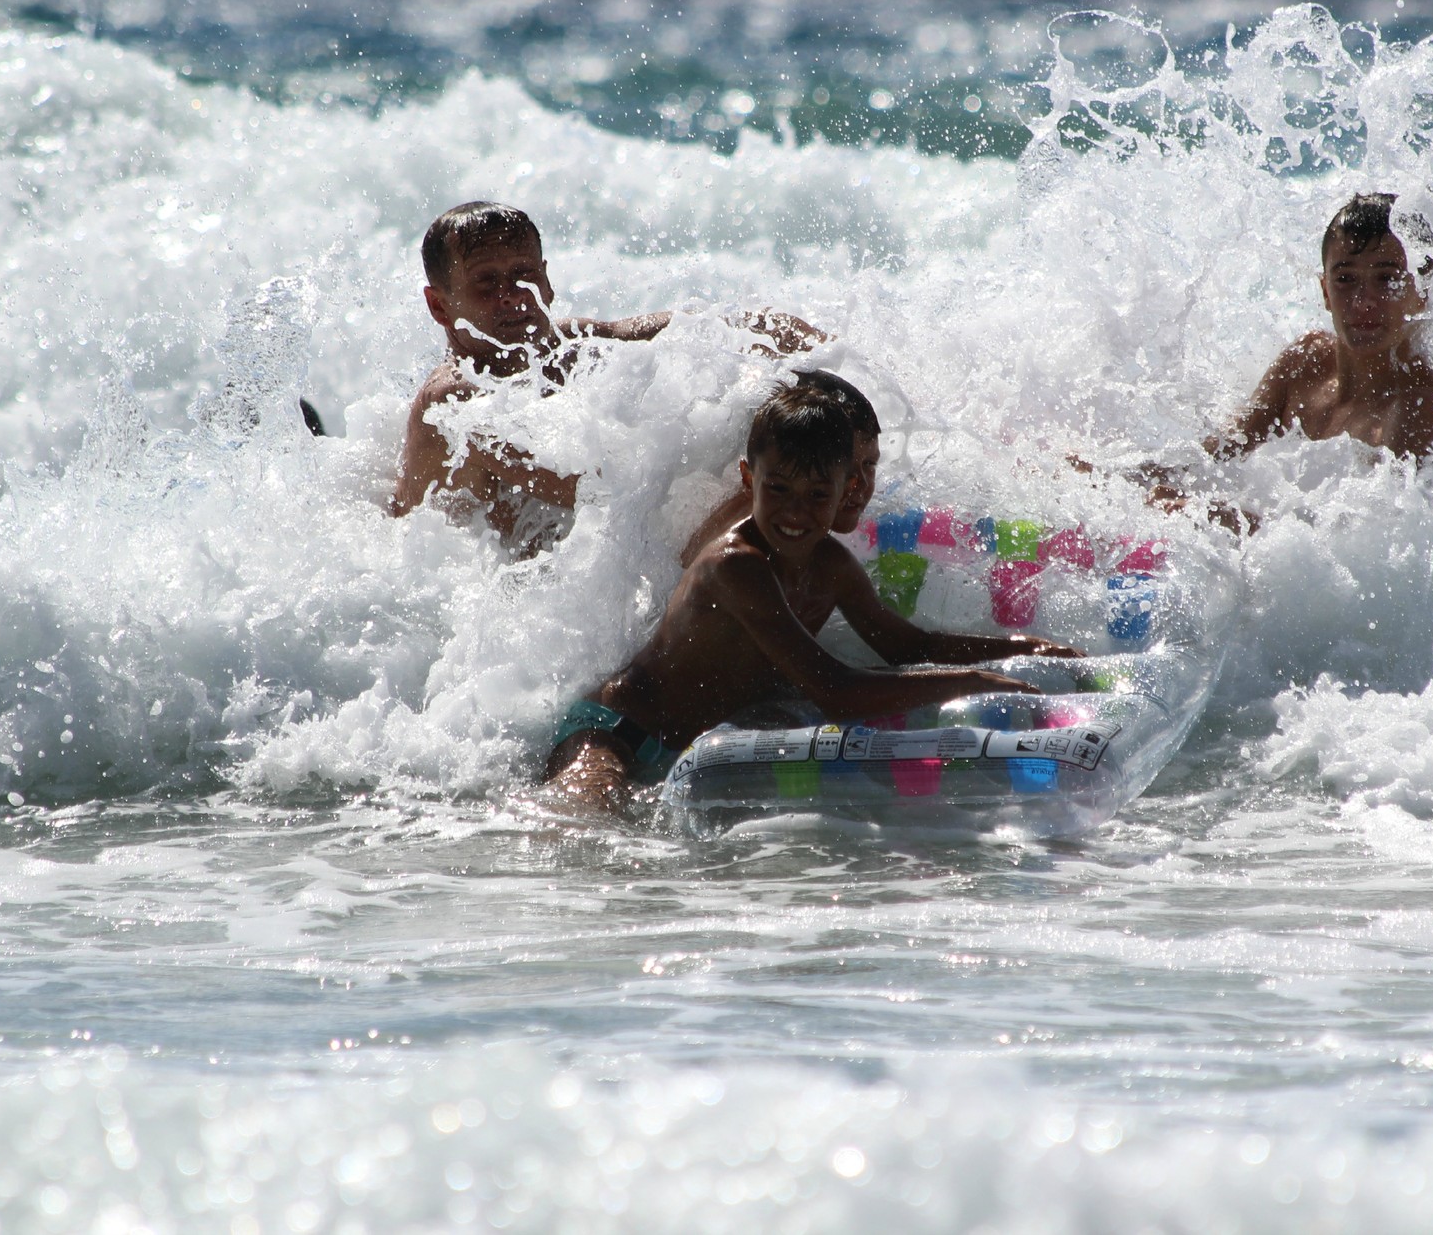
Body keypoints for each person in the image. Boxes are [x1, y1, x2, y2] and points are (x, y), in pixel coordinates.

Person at [544, 383, 1081, 812]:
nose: (795, 512)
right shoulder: (736, 565)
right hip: (617, 732)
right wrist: (974, 680)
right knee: (582, 827)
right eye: (777, 490)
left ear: (845, 489)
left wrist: (1021, 648)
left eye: (817, 495)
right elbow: (835, 691)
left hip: (686, 750)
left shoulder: (830, 565)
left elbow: (905, 645)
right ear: (749, 478)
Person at [389, 201, 825, 554]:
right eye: (486, 283)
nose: (512, 296)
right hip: (459, 598)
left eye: (524, 275)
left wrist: (787, 334)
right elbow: (588, 491)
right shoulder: (454, 402)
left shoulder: (566, 346)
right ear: (439, 306)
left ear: (547, 277)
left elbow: (695, 328)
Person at [1130, 193, 1433, 517]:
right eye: (1345, 279)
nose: (1363, 301)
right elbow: (1214, 456)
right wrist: (1111, 478)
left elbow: (1372, 542)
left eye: (1386, 279)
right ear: (1325, 290)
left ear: (1422, 290)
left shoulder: (1419, 406)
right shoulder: (1306, 362)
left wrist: (1230, 519)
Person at [679, 367, 882, 568]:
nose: (860, 483)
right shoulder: (757, 514)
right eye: (848, 466)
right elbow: (689, 566)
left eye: (869, 464)